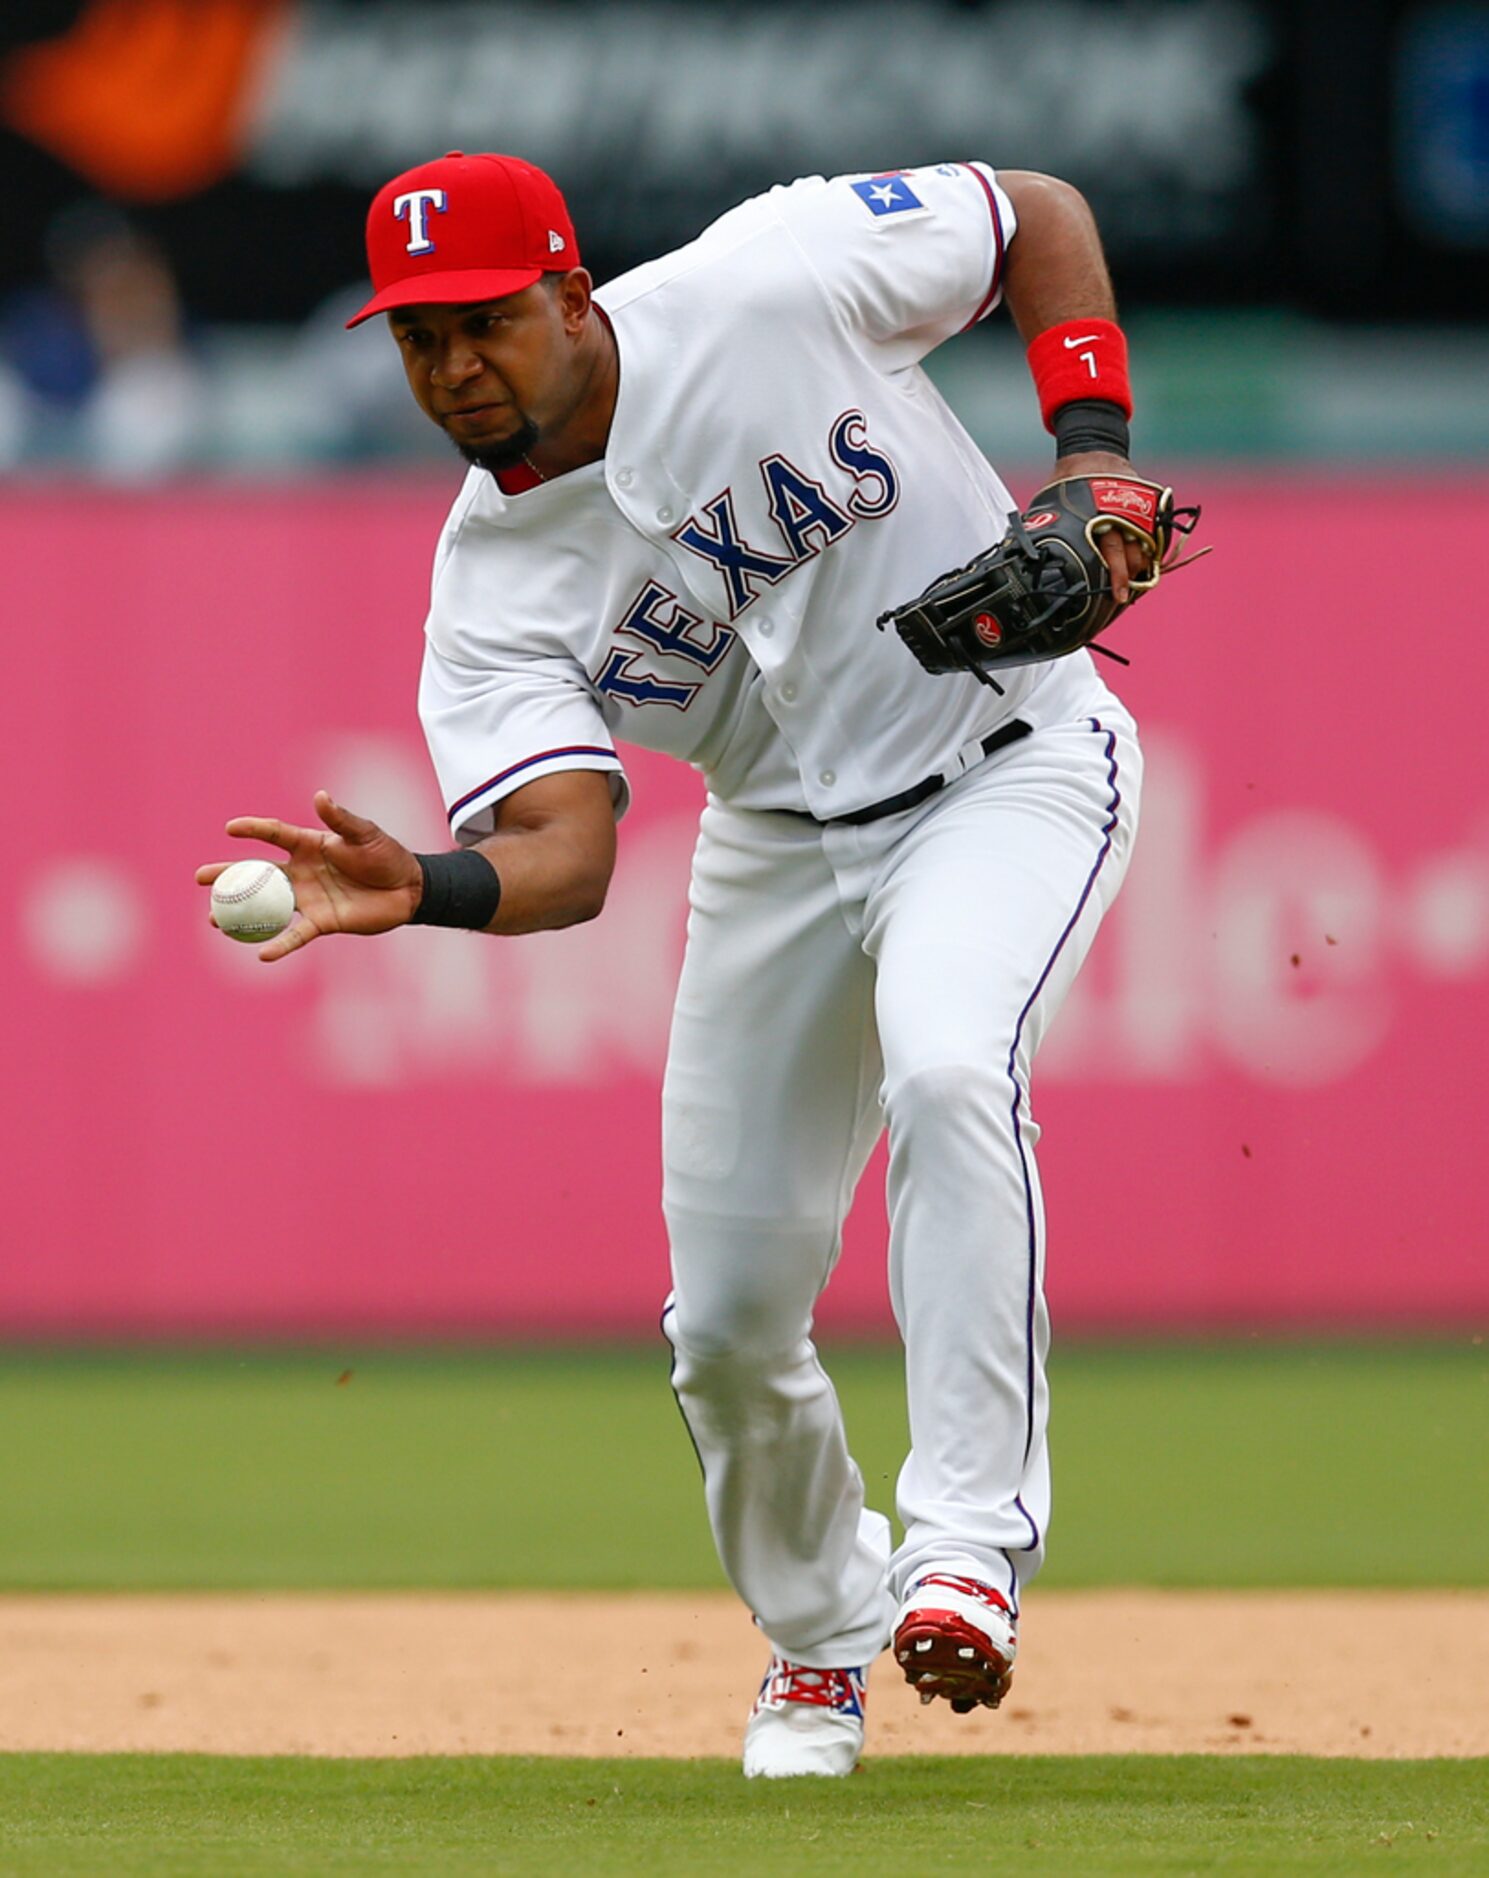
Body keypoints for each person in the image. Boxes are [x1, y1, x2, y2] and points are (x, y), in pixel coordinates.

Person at [200, 150, 1161, 1778]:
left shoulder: (767, 277)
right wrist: (423, 887)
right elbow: (567, 859)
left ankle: (963, 1546)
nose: (452, 366)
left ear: (571, 295)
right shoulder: (490, 590)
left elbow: (1036, 214)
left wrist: (1089, 453)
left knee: (946, 1062)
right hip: (779, 840)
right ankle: (819, 1631)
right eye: (416, 338)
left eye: (483, 319)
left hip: (1010, 764)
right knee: (720, 1323)